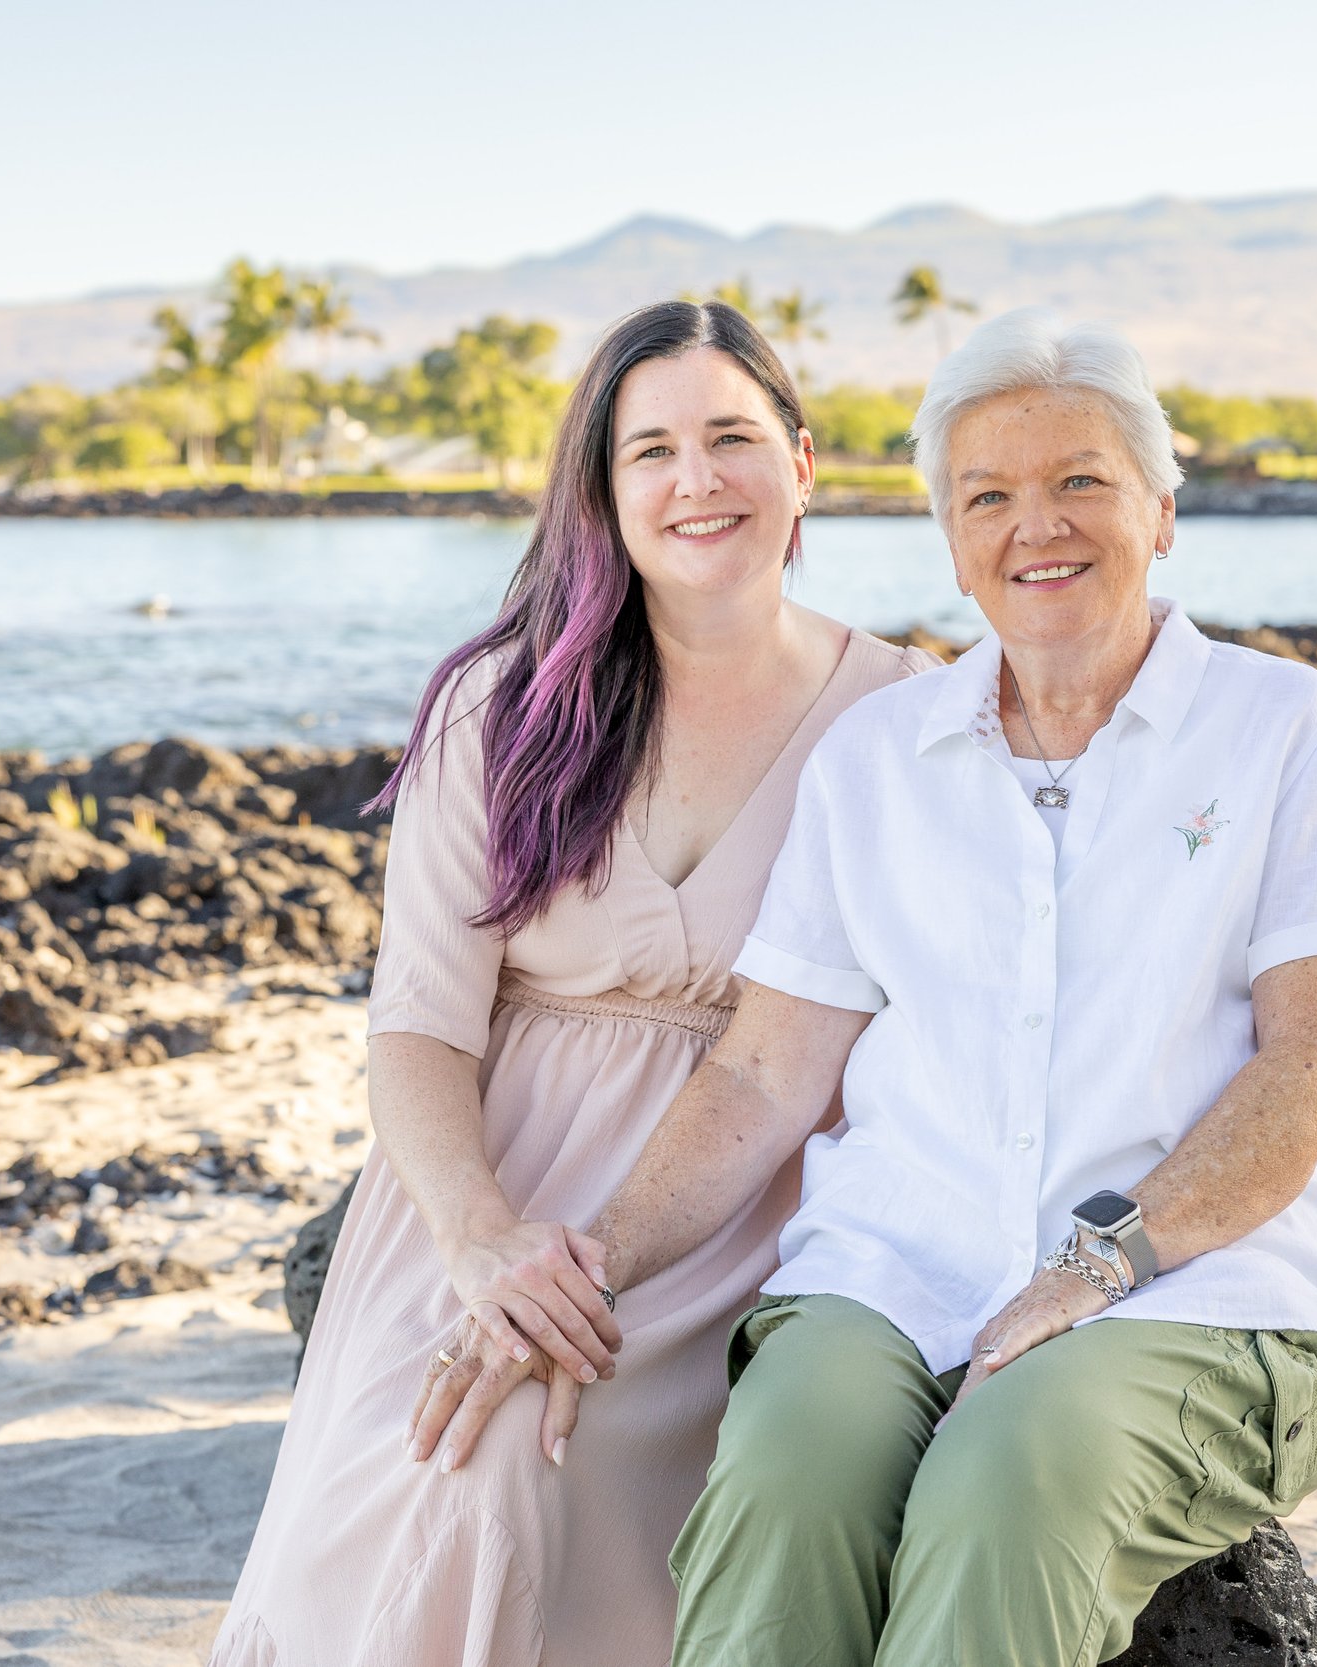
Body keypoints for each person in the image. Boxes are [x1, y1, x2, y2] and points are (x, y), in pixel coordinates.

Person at [416, 308, 1317, 1667]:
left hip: (1195, 1292)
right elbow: (764, 1074)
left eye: (1081, 481)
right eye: (987, 495)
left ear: (1164, 508)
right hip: (895, 1277)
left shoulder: (1280, 725)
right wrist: (583, 1274)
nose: (1036, 526)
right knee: (782, 1474)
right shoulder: (879, 758)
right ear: (948, 536)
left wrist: (1099, 1263)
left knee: (1006, 1475)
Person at [210, 300, 937, 1667]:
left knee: (545, 1468)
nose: (696, 480)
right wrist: (484, 1240)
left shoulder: (903, 715)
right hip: (497, 1190)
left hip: (746, 1200)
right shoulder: (506, 709)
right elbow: (418, 1025)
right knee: (442, 1469)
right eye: (649, 450)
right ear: (604, 494)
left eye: (731, 438)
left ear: (804, 466)